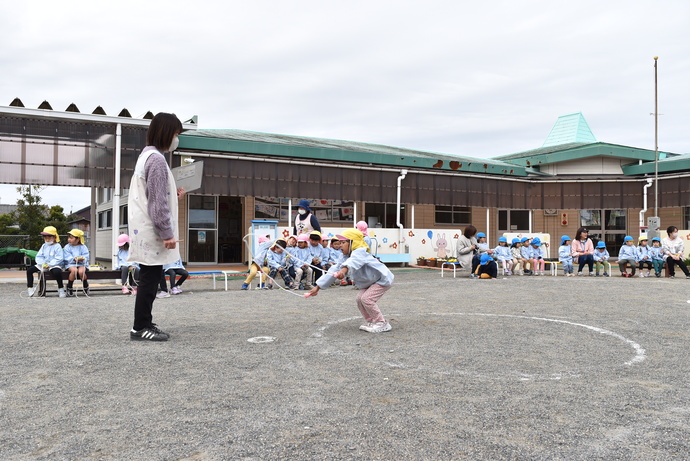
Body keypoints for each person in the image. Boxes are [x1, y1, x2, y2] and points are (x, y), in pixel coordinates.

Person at [127, 112, 185, 342]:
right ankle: (139, 327)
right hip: (152, 230)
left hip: (144, 228)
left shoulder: (145, 157)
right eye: (176, 134)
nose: (177, 139)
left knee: (150, 279)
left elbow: (156, 197)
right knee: (149, 281)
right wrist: (167, 233)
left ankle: (145, 322)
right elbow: (157, 203)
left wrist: (175, 197)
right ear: (166, 133)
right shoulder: (158, 161)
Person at [306, 229, 393, 333]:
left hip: (381, 279)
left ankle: (382, 323)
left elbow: (354, 261)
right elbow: (335, 268)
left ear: (353, 242)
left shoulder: (360, 252)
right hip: (370, 281)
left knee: (366, 299)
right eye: (339, 243)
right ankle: (371, 321)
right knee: (359, 299)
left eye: (343, 242)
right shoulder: (344, 256)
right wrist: (318, 287)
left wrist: (344, 270)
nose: (340, 245)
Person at [26, 226, 66, 298]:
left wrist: (50, 264)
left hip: (54, 264)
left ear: (55, 237)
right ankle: (30, 288)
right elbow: (39, 256)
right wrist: (42, 263)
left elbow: (59, 258)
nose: (47, 239)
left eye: (49, 237)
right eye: (45, 237)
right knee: (29, 271)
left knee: (57, 272)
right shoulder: (44, 245)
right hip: (43, 264)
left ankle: (61, 288)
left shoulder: (58, 246)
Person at [63, 228, 90, 296]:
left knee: (81, 272)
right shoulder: (67, 247)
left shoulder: (83, 247)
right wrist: (73, 259)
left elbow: (86, 256)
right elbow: (66, 257)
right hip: (71, 264)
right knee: (74, 271)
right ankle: (69, 286)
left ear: (78, 239)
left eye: (71, 238)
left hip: (81, 263)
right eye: (69, 237)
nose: (69, 239)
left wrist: (82, 258)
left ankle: (85, 286)